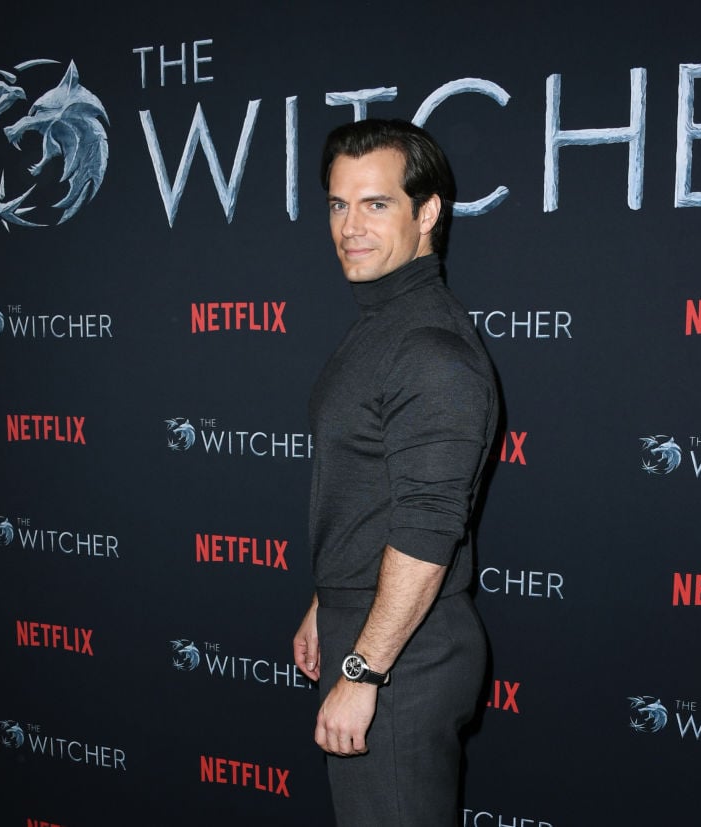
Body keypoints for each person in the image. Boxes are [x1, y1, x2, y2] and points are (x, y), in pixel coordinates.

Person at [293, 118, 500, 827]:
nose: (350, 227)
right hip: (370, 626)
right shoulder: (384, 322)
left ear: (428, 212)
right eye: (338, 204)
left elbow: (426, 530)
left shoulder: (430, 348)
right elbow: (369, 487)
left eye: (376, 204)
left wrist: (364, 670)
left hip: (403, 657)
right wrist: (328, 602)